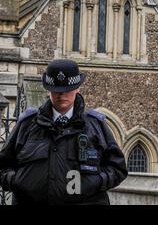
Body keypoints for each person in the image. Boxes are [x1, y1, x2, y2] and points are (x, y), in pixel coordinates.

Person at [0, 59, 128, 205]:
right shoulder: (27, 124)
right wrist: (18, 181)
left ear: (77, 88)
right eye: (57, 90)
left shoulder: (96, 125)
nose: (62, 95)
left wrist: (95, 183)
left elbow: (118, 168)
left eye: (67, 90)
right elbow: (3, 165)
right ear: (49, 90)